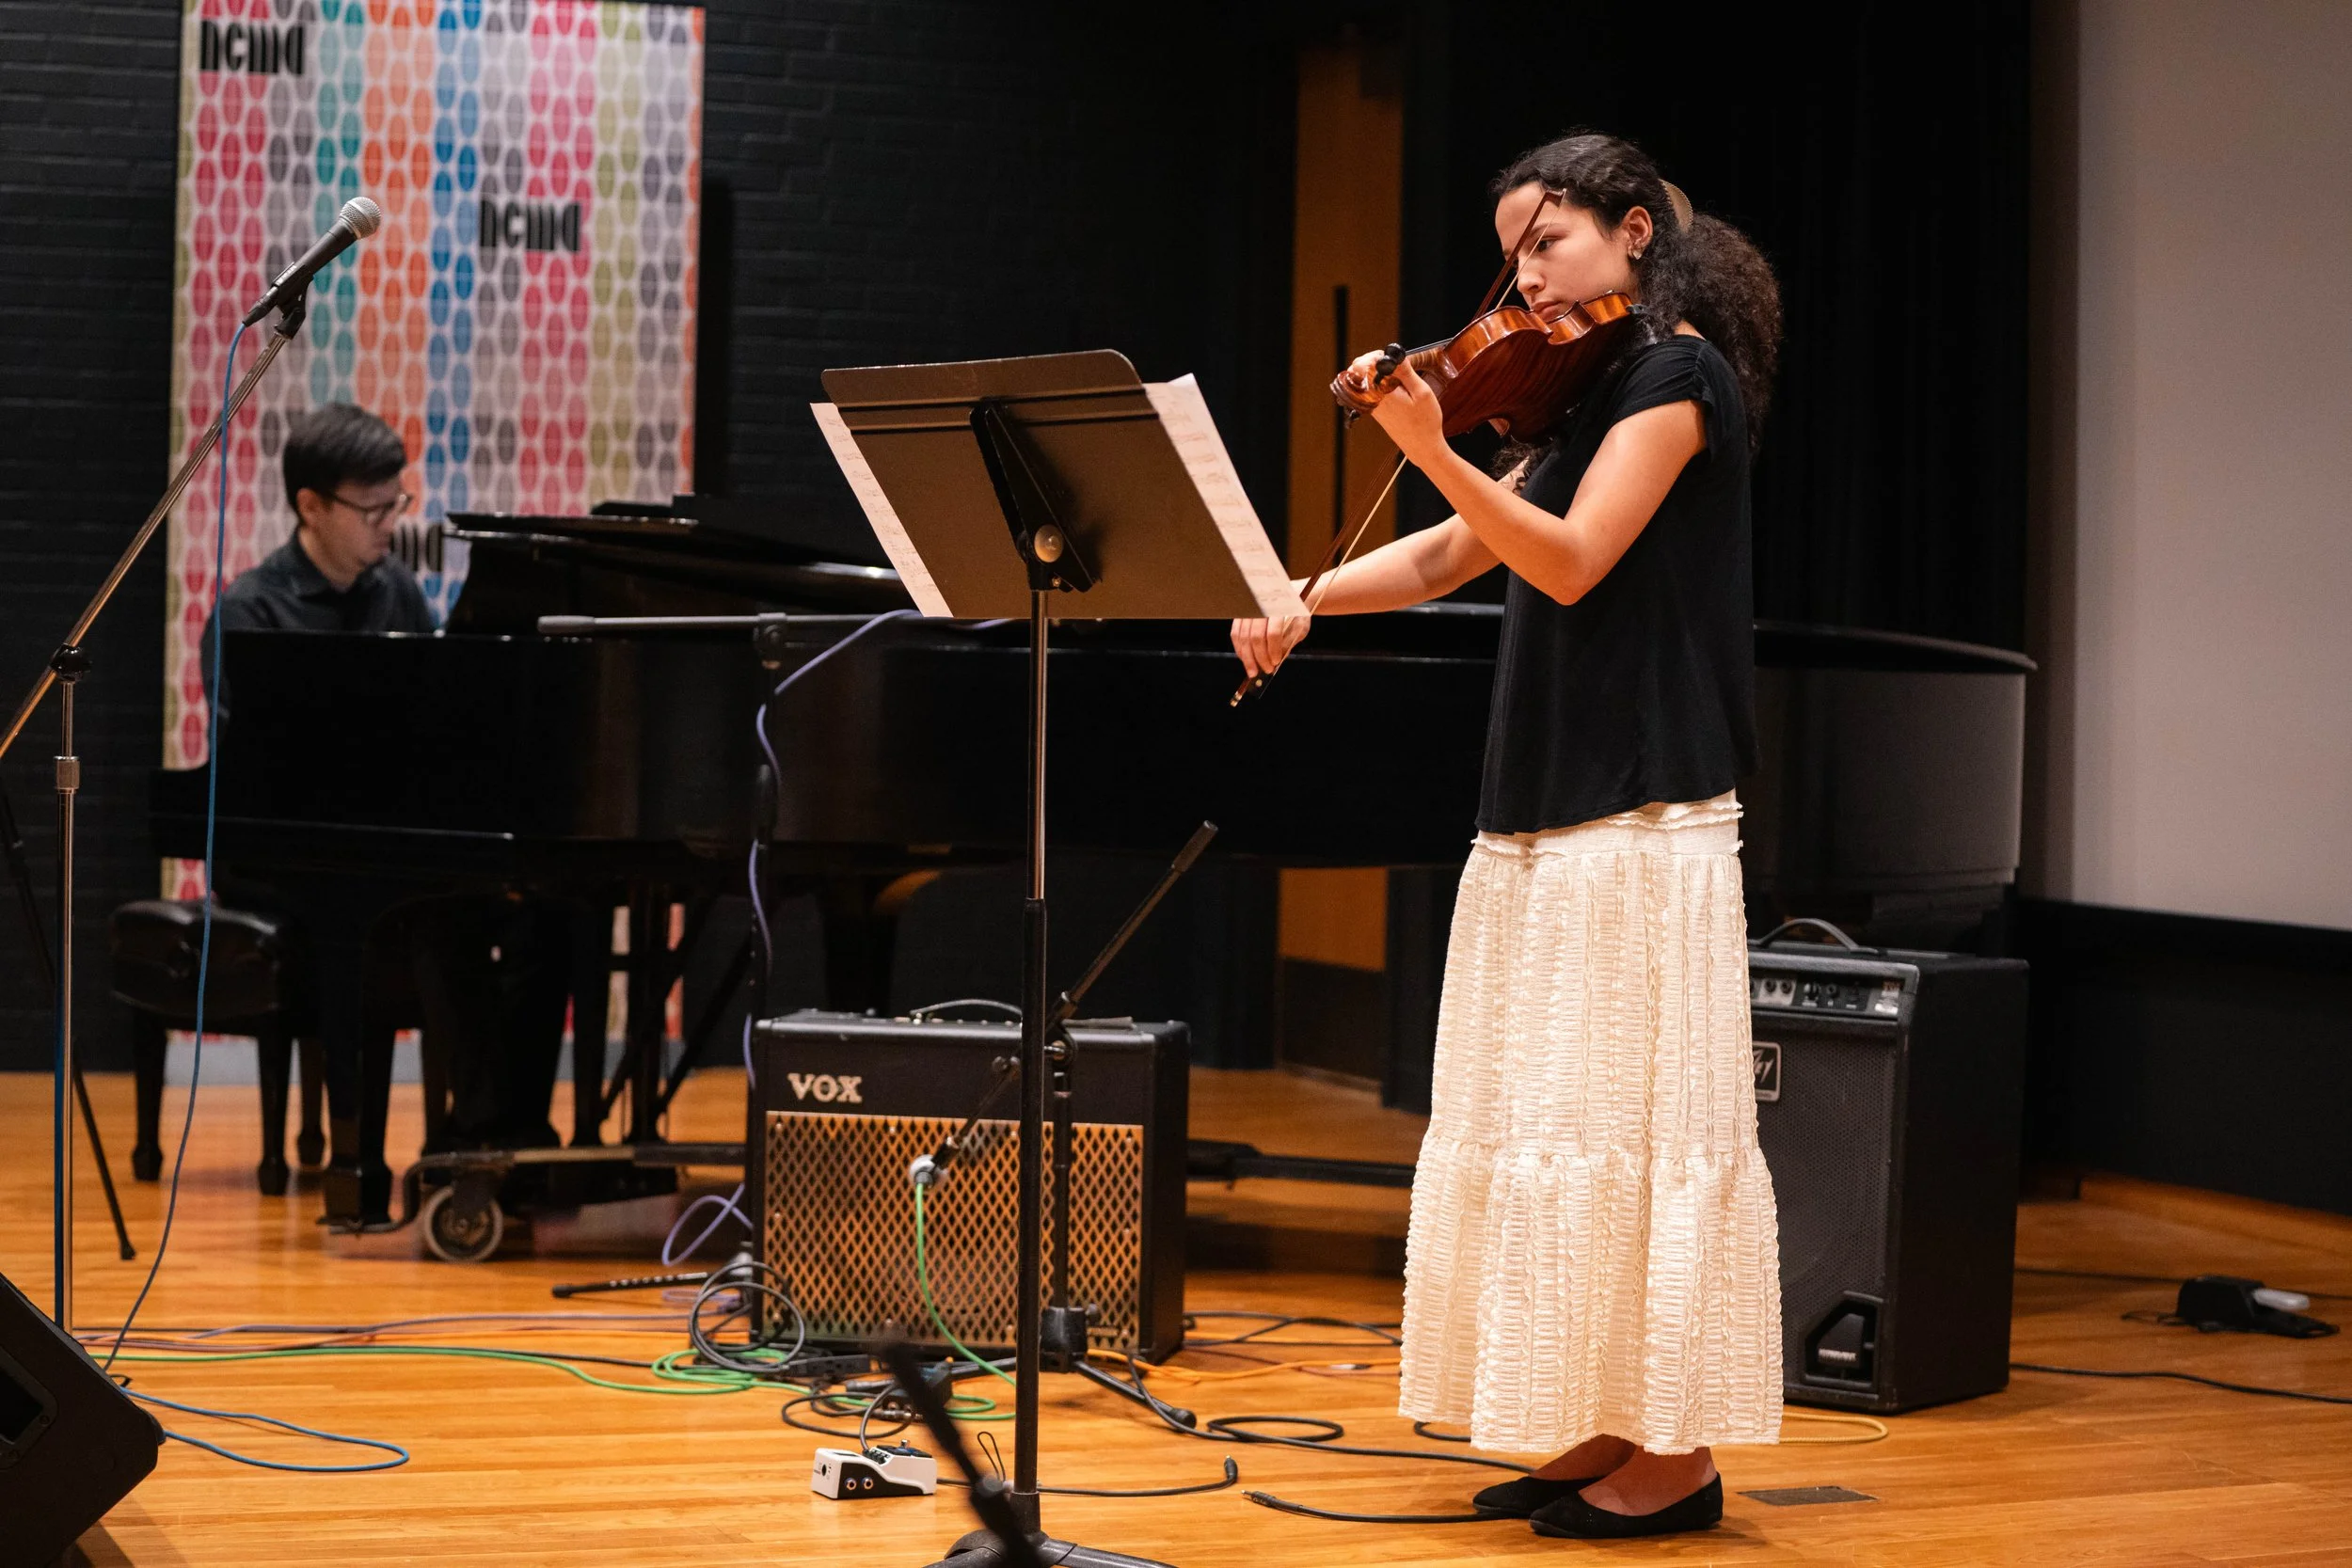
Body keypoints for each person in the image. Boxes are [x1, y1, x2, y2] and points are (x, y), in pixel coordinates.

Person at [1232, 131, 1784, 1540]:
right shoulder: (1574, 389)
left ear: (1637, 232)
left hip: (1646, 801)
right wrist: (1304, 593)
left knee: (1639, 1129)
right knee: (1559, 1117)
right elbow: (1444, 556)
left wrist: (1428, 445)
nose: (1523, 277)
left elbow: (1571, 555)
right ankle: (1602, 1420)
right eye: (1514, 253)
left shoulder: (1676, 377)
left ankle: (1678, 1454)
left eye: (1547, 243)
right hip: (1548, 794)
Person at [200, 403, 567, 1156]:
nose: (389, 522)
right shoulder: (251, 610)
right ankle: (478, 1140)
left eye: (395, 504)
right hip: (283, 852)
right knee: (433, 913)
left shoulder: (395, 590)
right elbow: (259, 774)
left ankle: (515, 1130)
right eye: (373, 508)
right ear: (311, 505)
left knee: (551, 913)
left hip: (386, 842)